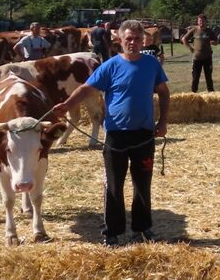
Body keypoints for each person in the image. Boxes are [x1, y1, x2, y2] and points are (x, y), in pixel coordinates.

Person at [53, 19, 170, 246]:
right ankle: (112, 233)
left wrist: (163, 122)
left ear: (143, 39)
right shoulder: (110, 66)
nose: (133, 43)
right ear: (120, 40)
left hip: (144, 135)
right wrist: (67, 105)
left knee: (142, 184)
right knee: (114, 186)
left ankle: (142, 229)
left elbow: (164, 93)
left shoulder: (151, 64)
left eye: (137, 39)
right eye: (128, 39)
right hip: (116, 136)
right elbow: (87, 88)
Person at [181, 14, 218, 93]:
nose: (201, 22)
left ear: (206, 21)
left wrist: (213, 42)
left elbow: (217, 41)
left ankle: (211, 93)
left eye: (203, 20)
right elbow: (184, 39)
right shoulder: (194, 30)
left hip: (207, 58)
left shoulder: (209, 31)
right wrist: (191, 49)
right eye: (200, 21)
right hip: (197, 58)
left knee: (208, 77)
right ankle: (193, 93)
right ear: (197, 22)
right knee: (195, 77)